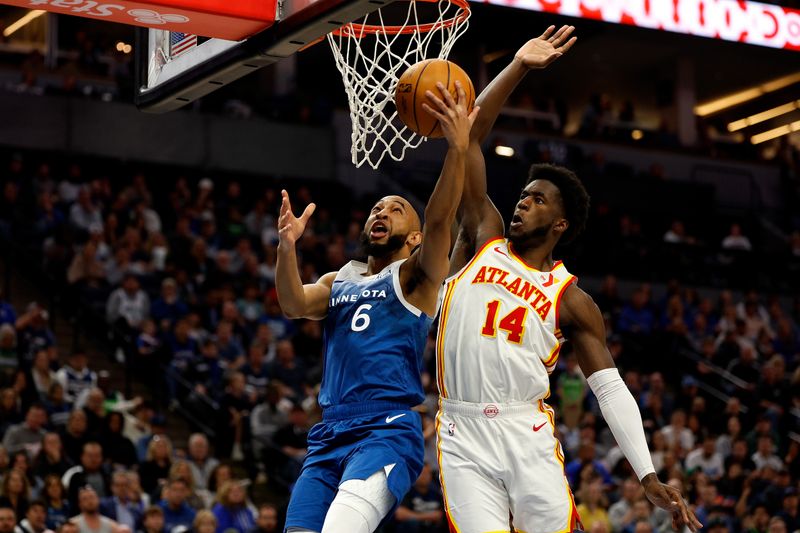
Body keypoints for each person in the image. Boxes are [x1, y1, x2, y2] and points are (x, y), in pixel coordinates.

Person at [436, 26, 702, 533]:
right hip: (460, 427)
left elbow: (610, 389)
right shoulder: (484, 235)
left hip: (526, 429)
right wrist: (517, 65)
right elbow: (469, 137)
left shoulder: (572, 300)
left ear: (559, 225)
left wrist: (646, 474)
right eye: (523, 194)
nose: (522, 201)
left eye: (537, 199)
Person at [276, 80, 477, 532]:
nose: (381, 212)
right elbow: (292, 304)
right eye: (376, 208)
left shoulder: (417, 277)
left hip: (387, 429)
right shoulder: (339, 278)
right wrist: (287, 248)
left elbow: (443, 216)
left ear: (415, 235)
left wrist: (458, 149)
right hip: (329, 433)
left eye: (396, 209)